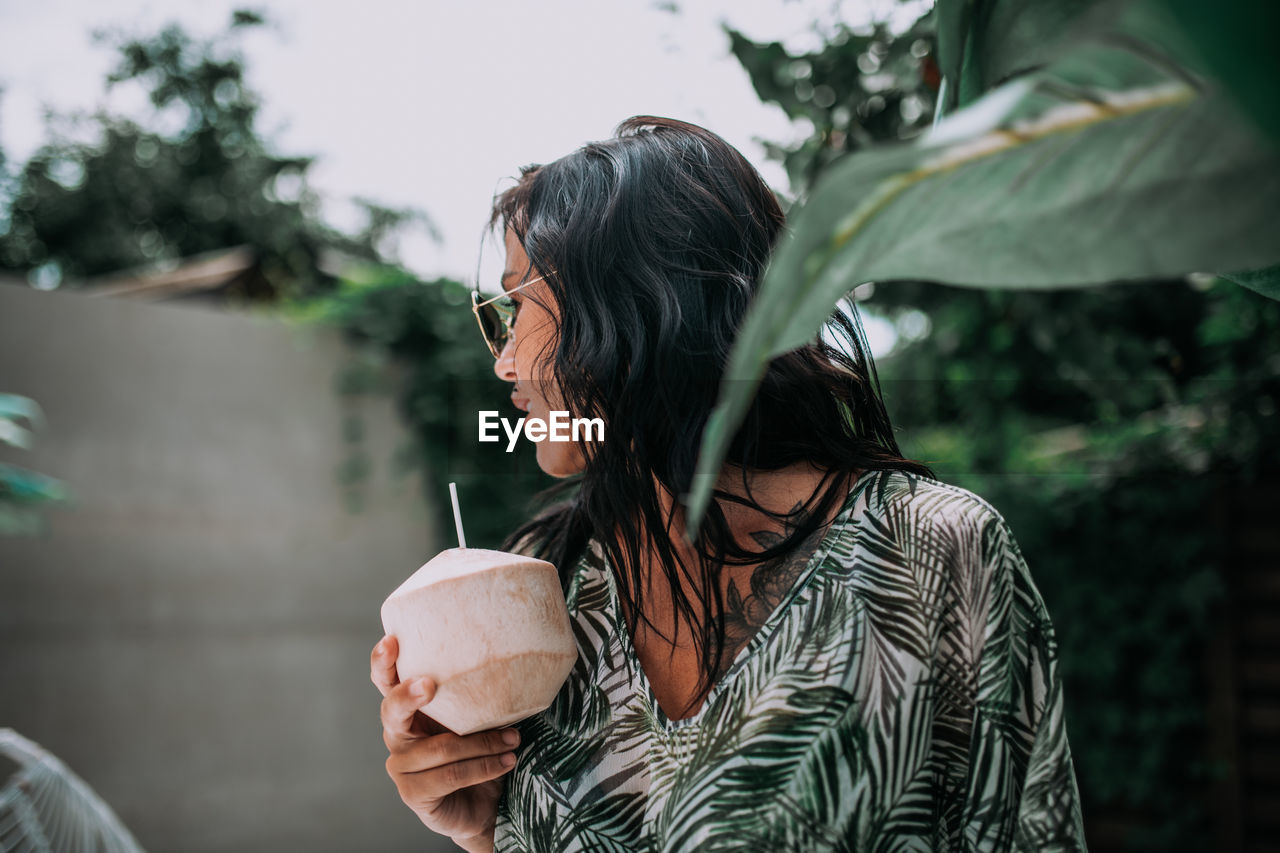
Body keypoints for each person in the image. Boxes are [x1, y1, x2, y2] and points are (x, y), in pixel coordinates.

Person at [371, 116, 1086, 852]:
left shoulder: (929, 552)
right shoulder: (542, 583)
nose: (505, 363)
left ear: (639, 301)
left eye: (517, 306)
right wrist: (481, 824)